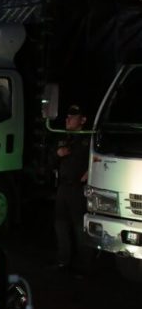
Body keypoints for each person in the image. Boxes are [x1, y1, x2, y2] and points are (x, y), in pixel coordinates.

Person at [51, 104, 91, 278]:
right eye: (67, 116)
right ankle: (63, 261)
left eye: (73, 116)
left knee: (79, 228)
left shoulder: (89, 140)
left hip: (78, 189)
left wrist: (91, 172)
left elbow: (98, 160)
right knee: (60, 225)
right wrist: (57, 155)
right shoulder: (64, 138)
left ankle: (84, 267)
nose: (68, 119)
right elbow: (49, 163)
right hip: (63, 188)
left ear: (82, 120)